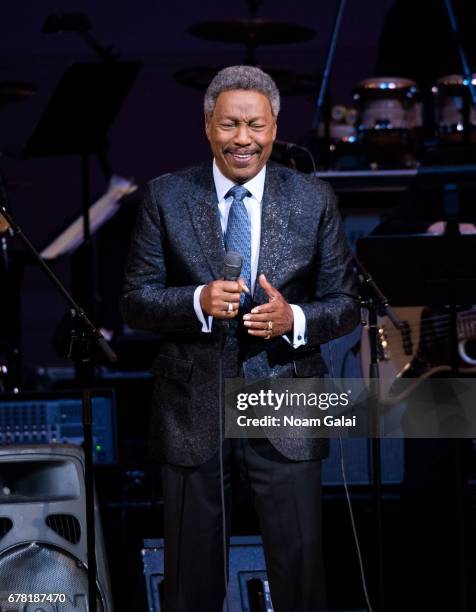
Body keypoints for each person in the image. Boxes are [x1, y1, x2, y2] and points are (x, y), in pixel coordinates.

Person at [121, 65, 359, 612]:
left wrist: (292, 318)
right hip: (192, 407)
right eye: (230, 125)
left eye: (255, 125)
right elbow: (135, 299)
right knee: (190, 586)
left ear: (275, 127)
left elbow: (345, 304)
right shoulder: (166, 197)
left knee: (301, 579)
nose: (243, 139)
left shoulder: (313, 199)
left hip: (285, 399)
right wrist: (195, 302)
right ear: (208, 125)